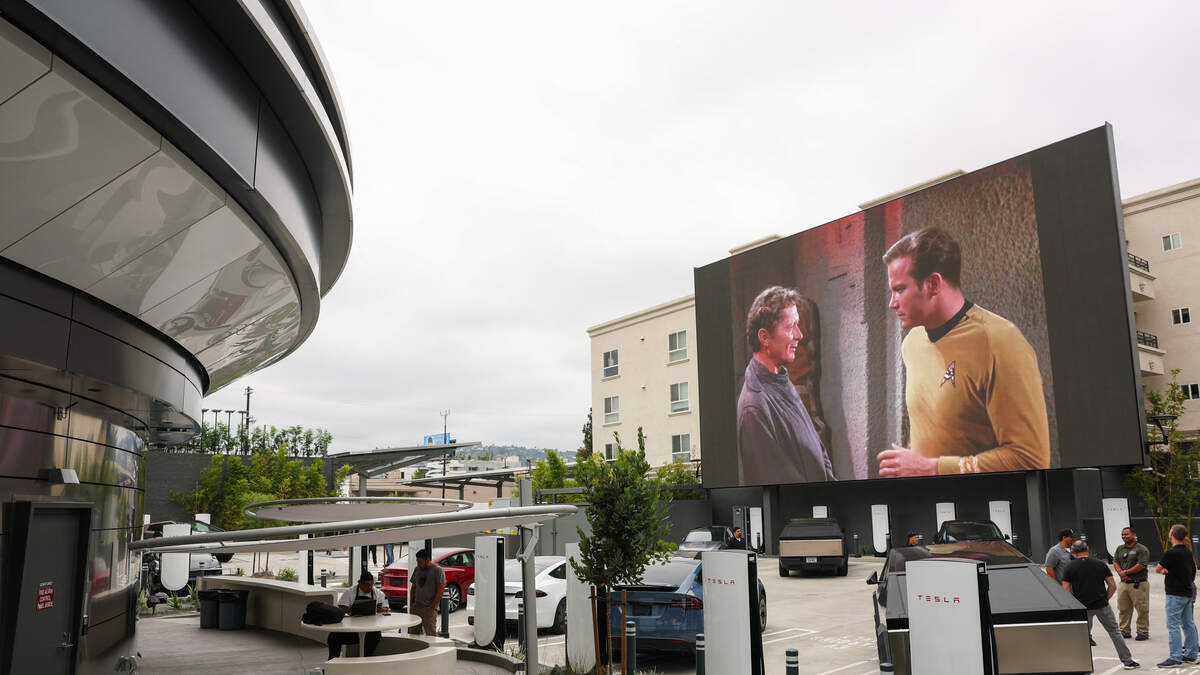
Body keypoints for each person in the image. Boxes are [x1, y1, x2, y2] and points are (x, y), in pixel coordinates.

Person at [875, 227, 1050, 477]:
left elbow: (1031, 458)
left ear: (933, 284)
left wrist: (933, 469)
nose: (892, 303)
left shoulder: (1000, 341)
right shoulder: (912, 344)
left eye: (900, 289)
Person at [737, 286, 836, 485]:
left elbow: (816, 447)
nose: (799, 335)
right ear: (764, 337)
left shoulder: (780, 379)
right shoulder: (754, 407)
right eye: (791, 327)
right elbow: (782, 485)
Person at [1060, 540, 1139, 670]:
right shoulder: (1100, 564)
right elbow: (1112, 585)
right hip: (1101, 605)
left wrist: (1075, 603)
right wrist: (1105, 599)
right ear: (1087, 549)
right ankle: (1128, 661)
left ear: (1073, 551)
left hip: (1082, 607)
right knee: (1114, 632)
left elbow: (1065, 588)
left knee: (1082, 636)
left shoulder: (1070, 567)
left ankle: (1079, 665)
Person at [1155, 524, 1197, 668]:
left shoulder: (1171, 553)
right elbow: (1192, 571)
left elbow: (1158, 568)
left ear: (1171, 534)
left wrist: (1165, 570)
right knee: (1188, 624)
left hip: (1174, 594)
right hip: (1187, 592)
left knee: (1173, 626)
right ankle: (1192, 654)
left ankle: (1175, 657)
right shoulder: (1188, 552)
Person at [327, 570, 386, 659]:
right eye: (367, 585)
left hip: (371, 630)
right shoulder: (350, 592)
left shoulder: (378, 593)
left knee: (375, 638)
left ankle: (365, 661)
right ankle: (332, 662)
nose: (370, 587)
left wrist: (382, 609)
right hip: (353, 629)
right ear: (360, 583)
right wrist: (352, 608)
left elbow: (386, 608)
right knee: (333, 637)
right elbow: (341, 607)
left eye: (371, 585)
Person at [1113, 526, 1151, 641]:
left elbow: (1141, 565)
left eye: (1126, 534)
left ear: (1134, 535)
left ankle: (1142, 632)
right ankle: (1124, 631)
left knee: (1142, 609)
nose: (1124, 536)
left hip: (1138, 584)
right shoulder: (1120, 548)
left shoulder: (1141, 549)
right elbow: (1115, 562)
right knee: (1123, 609)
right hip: (1123, 583)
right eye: (1122, 534)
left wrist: (1126, 572)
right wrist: (1121, 573)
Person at [408, 548, 446, 636]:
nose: (418, 564)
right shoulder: (417, 569)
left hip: (429, 609)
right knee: (413, 634)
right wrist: (411, 604)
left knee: (430, 634)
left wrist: (432, 606)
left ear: (427, 560)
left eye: (420, 562)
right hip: (416, 607)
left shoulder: (438, 570)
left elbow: (441, 590)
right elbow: (413, 587)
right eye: (417, 561)